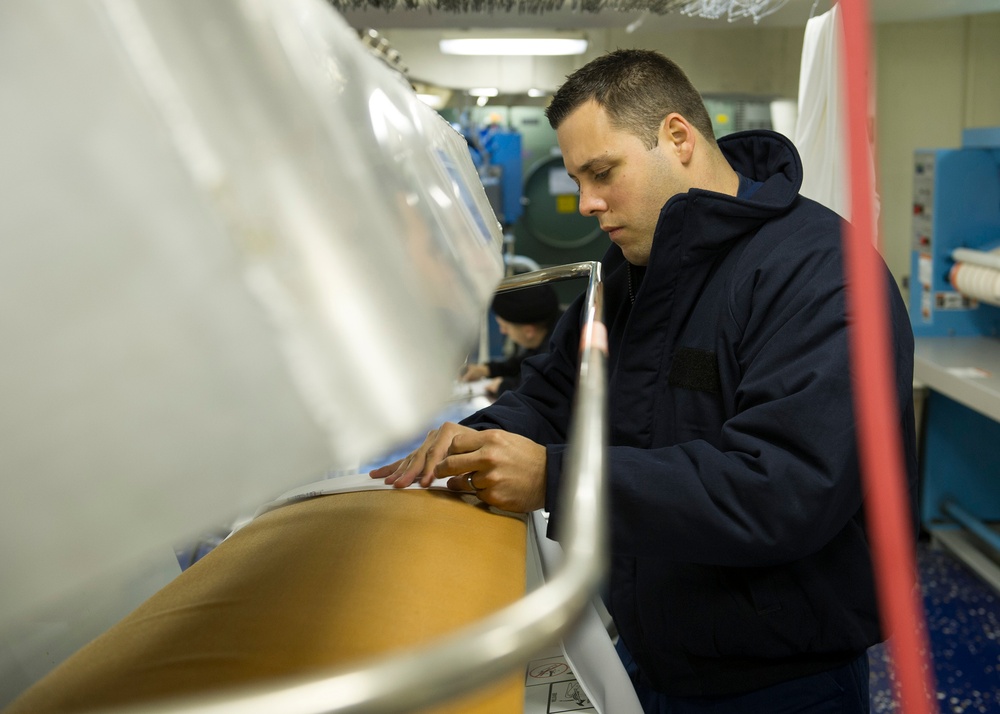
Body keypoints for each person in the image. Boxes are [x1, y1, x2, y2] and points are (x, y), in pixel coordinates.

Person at [372, 49, 917, 713]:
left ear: (678, 138)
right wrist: (476, 442)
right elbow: (554, 392)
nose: (587, 203)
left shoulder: (820, 273)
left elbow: (782, 487)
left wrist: (554, 477)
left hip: (776, 679)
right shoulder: (638, 267)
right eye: (578, 179)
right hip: (652, 650)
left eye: (602, 173)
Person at [460, 284, 562, 398]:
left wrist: (505, 386)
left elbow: (536, 386)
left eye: (505, 327)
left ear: (529, 331)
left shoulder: (555, 356)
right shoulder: (554, 327)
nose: (502, 331)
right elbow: (525, 360)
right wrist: (486, 370)